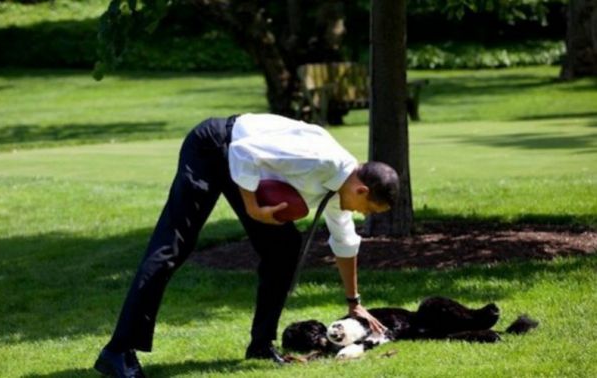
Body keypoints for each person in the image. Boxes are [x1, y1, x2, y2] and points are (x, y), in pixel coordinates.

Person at [94, 113, 400, 377]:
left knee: (285, 247)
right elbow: (242, 152)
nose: (362, 214)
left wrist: (353, 301)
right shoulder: (322, 160)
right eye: (368, 209)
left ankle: (260, 346)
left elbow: (345, 242)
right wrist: (253, 208)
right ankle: (118, 351)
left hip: (241, 164)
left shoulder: (339, 191)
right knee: (172, 247)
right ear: (361, 190)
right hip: (213, 144)